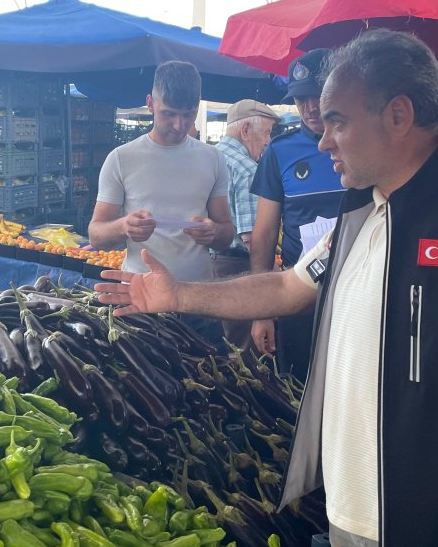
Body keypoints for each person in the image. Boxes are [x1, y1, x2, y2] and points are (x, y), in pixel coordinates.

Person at [96, 30, 438, 547]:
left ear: (399, 115)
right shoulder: (360, 213)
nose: (324, 140)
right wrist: (180, 297)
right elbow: (287, 287)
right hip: (354, 518)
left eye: (337, 120)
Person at [88, 60, 234, 339]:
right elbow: (96, 234)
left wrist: (214, 232)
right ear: (150, 104)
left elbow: (226, 233)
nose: (179, 125)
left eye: (188, 115)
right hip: (141, 301)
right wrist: (123, 227)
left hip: (198, 300)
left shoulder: (213, 158)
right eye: (169, 114)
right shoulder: (121, 159)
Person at [248, 49, 344, 374]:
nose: (310, 107)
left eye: (316, 94)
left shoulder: (364, 143)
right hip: (299, 296)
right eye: (300, 98)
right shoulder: (279, 152)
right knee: (298, 393)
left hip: (357, 296)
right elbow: (263, 235)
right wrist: (262, 309)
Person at [212, 99, 280, 348]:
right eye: (266, 133)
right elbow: (254, 239)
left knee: (226, 348)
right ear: (245, 131)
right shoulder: (247, 169)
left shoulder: (211, 157)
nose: (267, 142)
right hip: (240, 269)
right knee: (248, 353)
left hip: (212, 265)